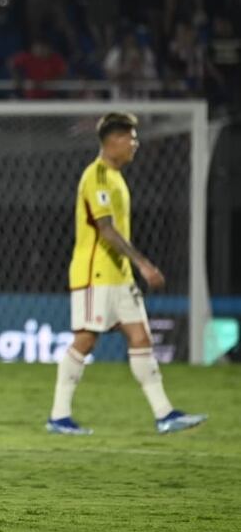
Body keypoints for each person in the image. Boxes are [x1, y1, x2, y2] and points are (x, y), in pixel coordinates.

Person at [46, 112, 208, 436]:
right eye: (131, 138)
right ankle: (59, 416)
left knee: (141, 338)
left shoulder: (117, 178)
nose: (136, 144)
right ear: (114, 141)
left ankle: (165, 414)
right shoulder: (98, 176)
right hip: (96, 274)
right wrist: (143, 263)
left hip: (119, 278)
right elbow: (105, 230)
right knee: (86, 339)